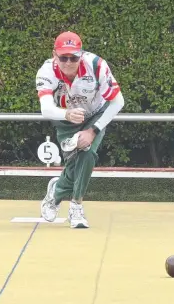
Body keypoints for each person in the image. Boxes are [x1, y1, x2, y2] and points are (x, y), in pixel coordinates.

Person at [36, 31, 125, 228]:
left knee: (87, 152)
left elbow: (118, 101)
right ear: (54, 54)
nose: (68, 62)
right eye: (63, 57)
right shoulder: (46, 71)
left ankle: (76, 206)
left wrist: (93, 130)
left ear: (81, 54)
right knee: (74, 163)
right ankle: (57, 190)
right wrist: (66, 115)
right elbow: (46, 109)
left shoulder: (97, 65)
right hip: (65, 120)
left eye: (74, 57)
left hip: (95, 114)